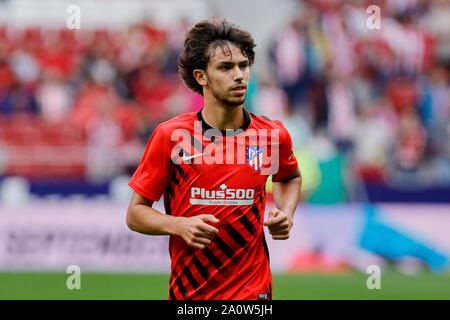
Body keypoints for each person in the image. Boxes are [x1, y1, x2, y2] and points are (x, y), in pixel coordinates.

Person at [126, 19, 302, 300]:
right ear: (201, 77)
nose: (240, 76)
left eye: (243, 66)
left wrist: (286, 212)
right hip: (190, 295)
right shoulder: (171, 136)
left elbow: (289, 176)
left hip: (253, 293)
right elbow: (135, 214)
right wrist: (178, 225)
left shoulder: (272, 135)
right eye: (225, 67)